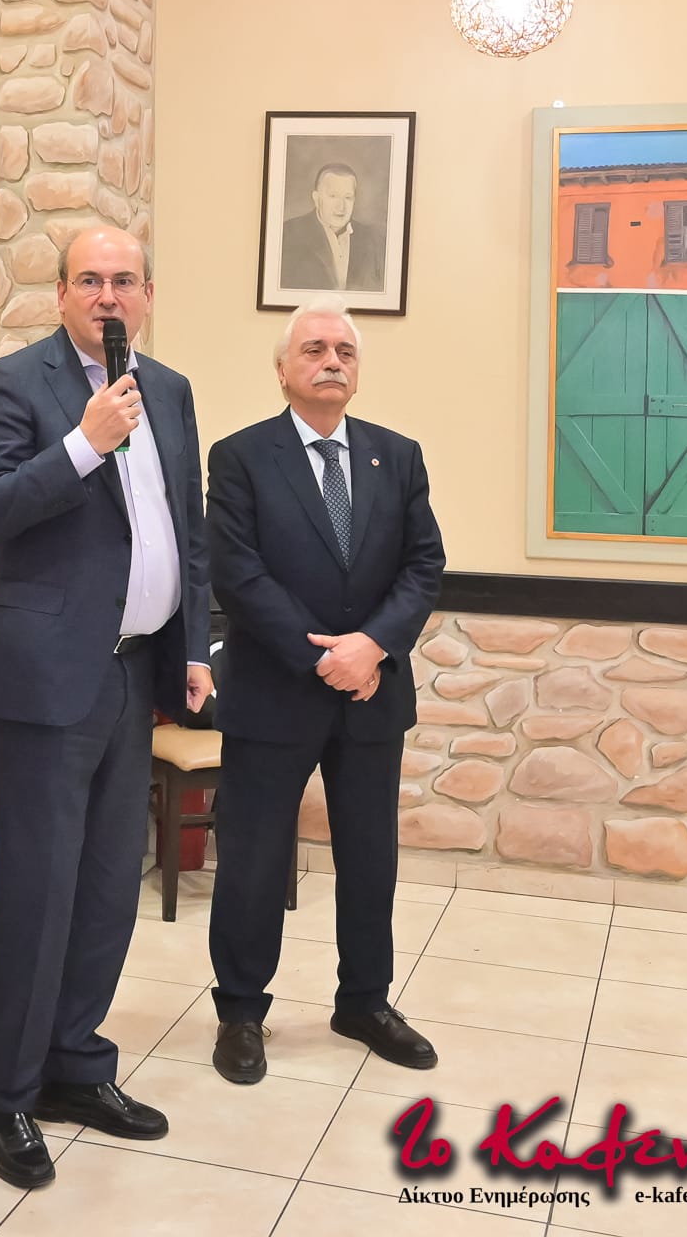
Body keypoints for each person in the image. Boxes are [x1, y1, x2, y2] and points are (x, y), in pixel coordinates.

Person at [0, 226, 212, 1187]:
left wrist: (192, 647)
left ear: (147, 293)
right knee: (39, 889)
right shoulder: (15, 383)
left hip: (135, 671)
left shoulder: (171, 390)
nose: (108, 296)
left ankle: (74, 1065)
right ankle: (7, 1093)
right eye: (89, 280)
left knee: (110, 884)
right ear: (61, 293)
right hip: (47, 680)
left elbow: (185, 529)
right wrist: (81, 444)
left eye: (124, 281)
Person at [204, 297, 445, 1085]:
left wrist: (370, 646)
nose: (331, 361)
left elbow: (423, 565)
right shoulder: (240, 457)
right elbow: (237, 574)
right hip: (274, 693)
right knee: (252, 860)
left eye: (343, 350)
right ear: (282, 370)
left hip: (372, 692)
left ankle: (364, 1002)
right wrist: (323, 660)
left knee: (370, 857)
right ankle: (241, 1012)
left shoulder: (396, 456)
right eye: (313, 349)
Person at [280, 162, 387, 292]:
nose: (341, 207)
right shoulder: (288, 235)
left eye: (348, 197)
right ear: (316, 198)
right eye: (333, 196)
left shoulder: (373, 240)